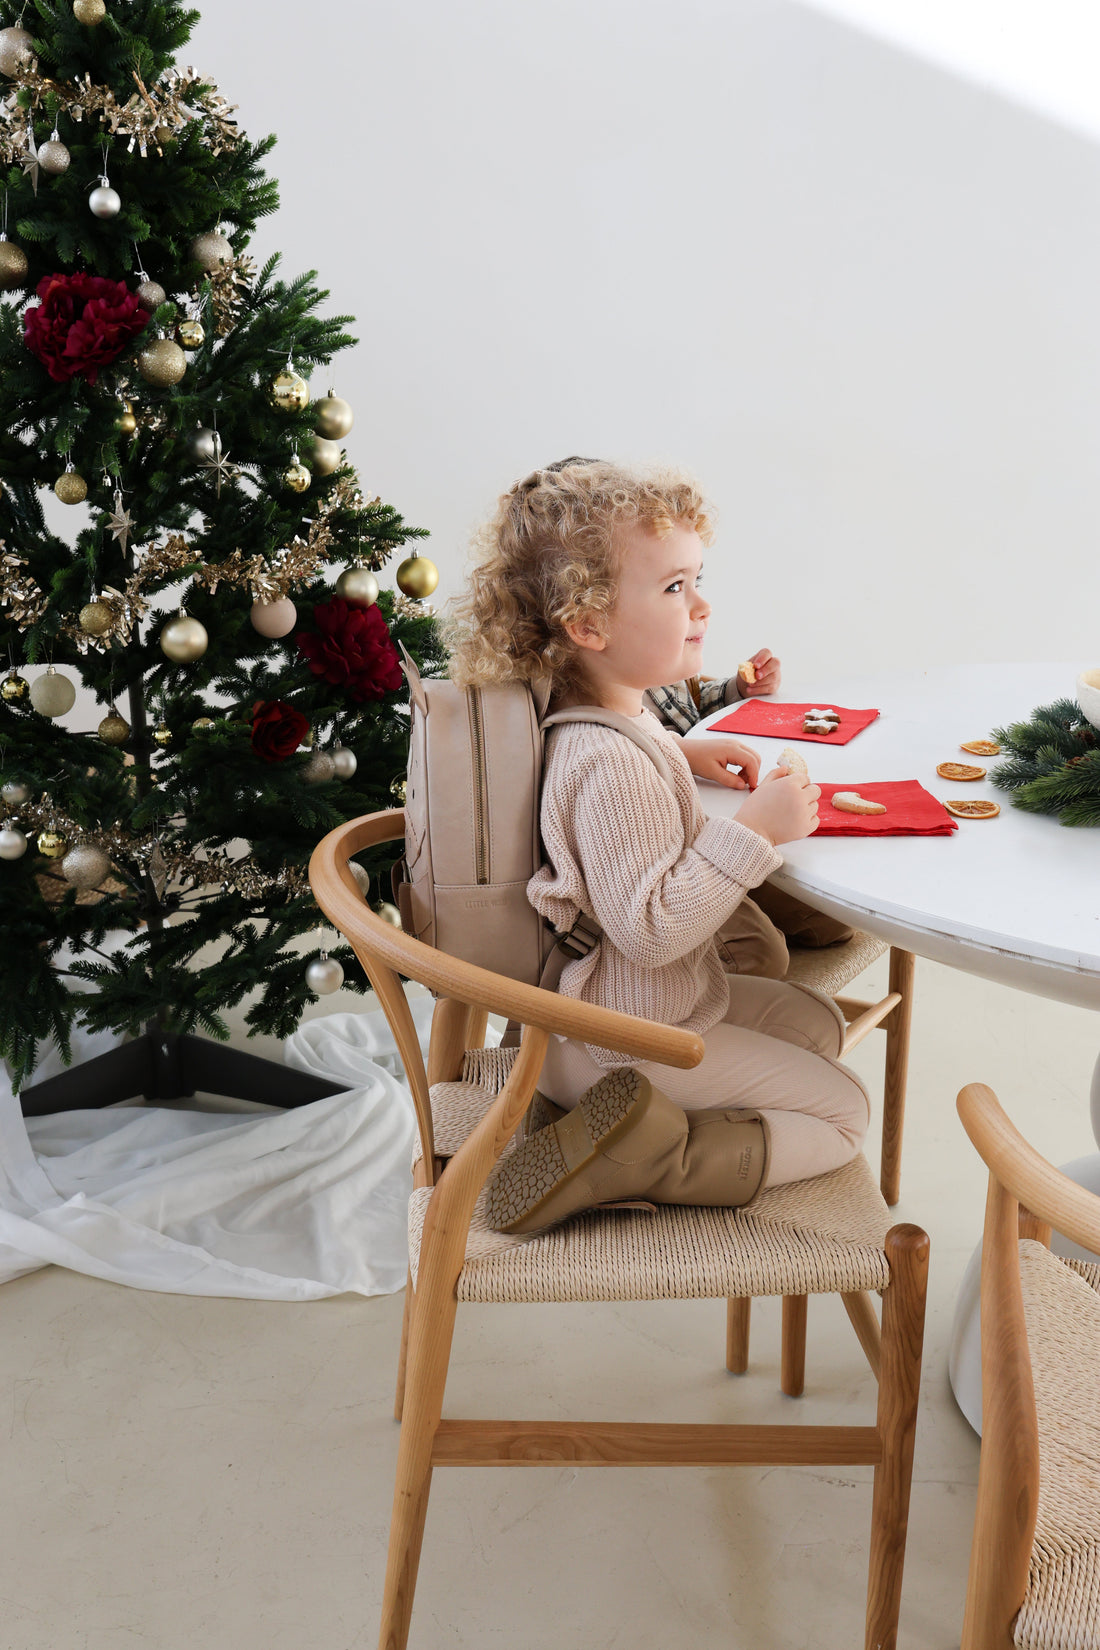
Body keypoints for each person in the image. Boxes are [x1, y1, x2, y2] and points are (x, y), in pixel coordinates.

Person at [445, 459, 870, 1233]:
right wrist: (758, 833)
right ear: (589, 625)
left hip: (632, 1014)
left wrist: (685, 757)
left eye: (696, 580)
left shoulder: (616, 719)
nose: (702, 606)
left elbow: (630, 795)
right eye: (676, 588)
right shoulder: (606, 762)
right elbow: (651, 930)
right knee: (845, 1115)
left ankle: (601, 1116)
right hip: (626, 1039)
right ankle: (642, 1152)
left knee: (819, 1026)